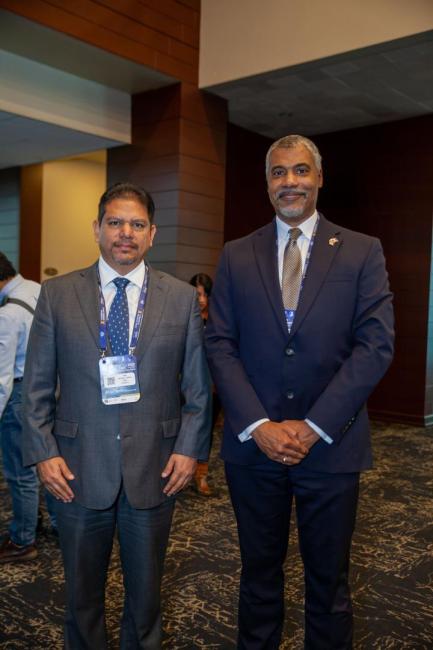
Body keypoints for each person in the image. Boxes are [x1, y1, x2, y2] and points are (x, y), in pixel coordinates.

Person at [205, 135, 394, 649]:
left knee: (329, 584)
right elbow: (219, 343)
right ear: (267, 183)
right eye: (279, 172)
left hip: (331, 447)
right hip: (254, 448)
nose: (290, 181)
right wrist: (258, 425)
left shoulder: (362, 250)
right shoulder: (236, 254)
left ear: (319, 177)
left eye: (301, 170)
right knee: (257, 577)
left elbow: (375, 347)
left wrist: (314, 427)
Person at [22, 182, 210, 649]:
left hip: (157, 468)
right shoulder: (57, 294)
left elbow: (198, 388)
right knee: (81, 598)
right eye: (115, 222)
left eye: (137, 224)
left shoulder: (181, 298)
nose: (126, 232)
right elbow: (36, 388)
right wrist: (44, 453)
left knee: (146, 600)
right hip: (76, 469)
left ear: (152, 234)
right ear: (97, 229)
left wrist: (190, 450)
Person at [0, 253, 44, 562]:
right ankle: (52, 523)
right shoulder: (35, 288)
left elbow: (2, 378)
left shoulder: (7, 314)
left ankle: (22, 540)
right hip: (44, 388)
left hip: (18, 393)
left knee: (20, 472)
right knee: (46, 461)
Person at [189, 273, 219, 496]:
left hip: (212, 384)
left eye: (205, 294)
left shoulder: (218, 319)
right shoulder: (184, 316)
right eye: (197, 294)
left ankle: (201, 475)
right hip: (187, 383)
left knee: (206, 430)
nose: (201, 299)